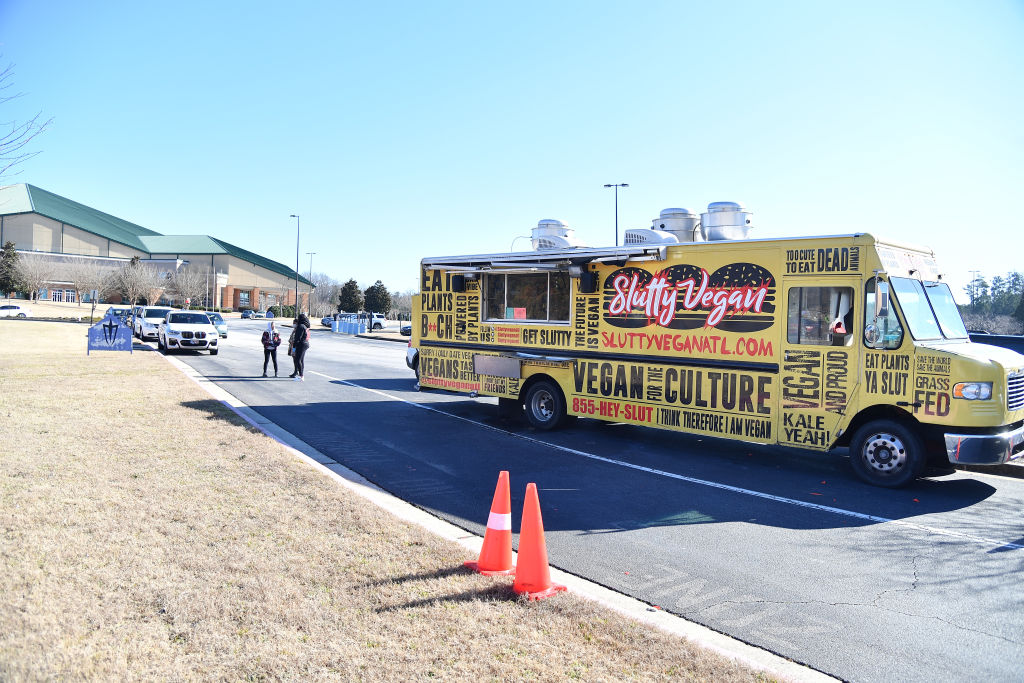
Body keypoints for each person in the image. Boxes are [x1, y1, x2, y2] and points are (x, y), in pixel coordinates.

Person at [288, 313, 311, 381]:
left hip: (301, 344)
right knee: (301, 360)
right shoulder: (305, 326)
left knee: (297, 360)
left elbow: (297, 338)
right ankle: (301, 375)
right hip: (305, 344)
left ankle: (301, 376)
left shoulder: (300, 326)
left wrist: (294, 348)